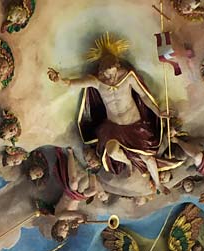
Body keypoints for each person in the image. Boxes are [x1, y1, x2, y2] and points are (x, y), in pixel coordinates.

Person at [49, 34, 183, 192]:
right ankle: (127, 162)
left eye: (111, 73)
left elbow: (144, 96)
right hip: (113, 127)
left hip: (135, 126)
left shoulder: (128, 77)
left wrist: (158, 112)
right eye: (104, 73)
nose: (108, 77)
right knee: (112, 151)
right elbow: (72, 83)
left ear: (117, 66)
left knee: (148, 158)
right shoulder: (97, 81)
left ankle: (158, 183)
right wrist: (59, 80)